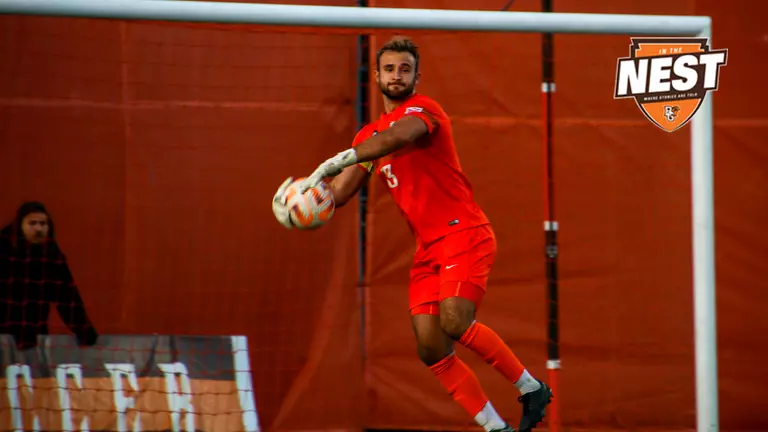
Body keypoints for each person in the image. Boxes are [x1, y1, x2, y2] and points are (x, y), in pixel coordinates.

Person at [272, 37, 551, 432]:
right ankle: (495, 427)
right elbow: (340, 193)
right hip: (428, 249)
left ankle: (530, 388)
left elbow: (397, 137)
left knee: (455, 321)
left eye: (405, 69)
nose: (397, 76)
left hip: (463, 232)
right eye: (389, 69)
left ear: (417, 76)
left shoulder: (423, 111)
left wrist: (345, 157)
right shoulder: (367, 137)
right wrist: (298, 200)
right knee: (430, 346)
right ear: (377, 77)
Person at [0, 201, 99, 350]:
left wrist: (85, 332)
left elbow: (67, 297)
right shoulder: (3, 250)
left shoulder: (51, 255)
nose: (38, 228)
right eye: (32, 223)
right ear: (20, 225)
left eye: (42, 223)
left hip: (34, 335)